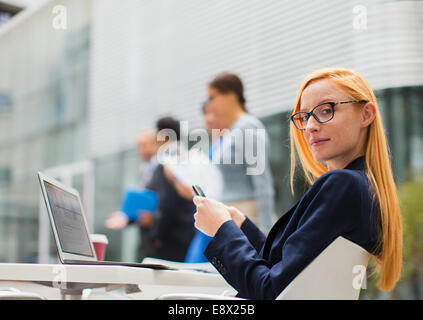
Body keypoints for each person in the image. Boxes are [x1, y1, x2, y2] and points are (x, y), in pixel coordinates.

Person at [193, 68, 403, 299]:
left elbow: (270, 290)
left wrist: (222, 230)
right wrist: (241, 226)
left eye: (326, 110)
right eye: (304, 117)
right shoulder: (358, 186)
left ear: (366, 115)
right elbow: (287, 267)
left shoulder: (343, 185)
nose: (310, 126)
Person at [204, 72, 275, 233]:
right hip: (232, 217)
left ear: (229, 95)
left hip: (248, 218)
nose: (209, 105)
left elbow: (262, 181)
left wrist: (266, 230)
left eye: (212, 98)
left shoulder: (247, 127)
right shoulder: (232, 130)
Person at [147, 116, 196, 262]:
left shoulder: (166, 162)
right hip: (189, 232)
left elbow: (166, 201)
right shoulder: (190, 158)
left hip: (171, 237)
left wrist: (158, 234)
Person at [105, 130, 159, 260]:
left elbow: (167, 202)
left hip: (159, 235)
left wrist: (155, 219)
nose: (141, 150)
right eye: (139, 146)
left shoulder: (162, 167)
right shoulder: (145, 168)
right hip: (146, 232)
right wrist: (126, 216)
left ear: (156, 145)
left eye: (145, 145)